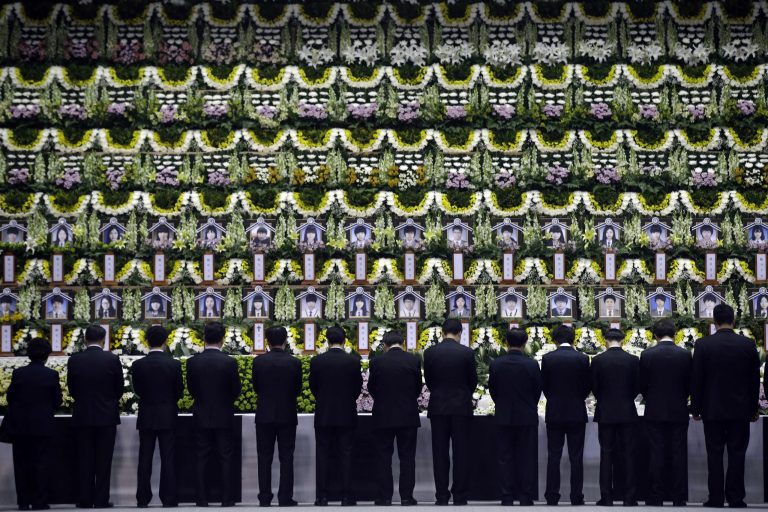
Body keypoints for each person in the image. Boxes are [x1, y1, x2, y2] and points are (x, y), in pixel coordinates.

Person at [691, 304, 760, 508]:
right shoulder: (747, 344)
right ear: (734, 320)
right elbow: (754, 381)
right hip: (740, 409)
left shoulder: (703, 345)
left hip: (712, 409)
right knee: (737, 453)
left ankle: (715, 497)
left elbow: (697, 379)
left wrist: (696, 408)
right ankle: (736, 497)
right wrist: (753, 408)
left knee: (714, 453)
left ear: (714, 321)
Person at [67, 325, 124, 509]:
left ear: (85, 339)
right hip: (106, 415)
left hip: (82, 414)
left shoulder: (75, 360)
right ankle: (101, 500)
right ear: (103, 340)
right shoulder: (112, 359)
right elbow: (119, 388)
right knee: (104, 461)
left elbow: (72, 389)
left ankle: (84, 499)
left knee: (84, 459)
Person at [186, 322, 242, 507]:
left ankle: (201, 499)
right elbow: (236, 390)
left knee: (200, 457)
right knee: (225, 457)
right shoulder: (229, 362)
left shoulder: (193, 362)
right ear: (222, 339)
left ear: (204, 338)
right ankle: (227, 499)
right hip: (224, 413)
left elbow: (192, 389)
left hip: (201, 413)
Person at [423, 319, 478, 506]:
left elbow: (429, 380)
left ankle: (441, 495)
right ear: (460, 333)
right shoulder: (467, 352)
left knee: (439, 453)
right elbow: (472, 381)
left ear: (442, 332)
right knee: (461, 452)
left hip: (438, 406)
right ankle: (460, 496)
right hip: (461, 407)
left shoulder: (430, 352)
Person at [639, 319, 691, 507]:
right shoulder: (685, 354)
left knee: (656, 452)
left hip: (654, 409)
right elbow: (689, 383)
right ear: (675, 334)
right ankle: (679, 496)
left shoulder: (647, 354)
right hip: (679, 409)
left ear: (655, 334)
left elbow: (642, 384)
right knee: (678, 453)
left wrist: (651, 397)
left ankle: (656, 495)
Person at [5, 338, 62, 511]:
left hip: (20, 426)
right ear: (47, 354)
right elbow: (57, 401)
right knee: (41, 464)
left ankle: (23, 502)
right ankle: (40, 501)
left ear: (29, 353)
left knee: (21, 464)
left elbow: (10, 397)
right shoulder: (51, 374)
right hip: (42, 425)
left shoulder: (19, 373)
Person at [309, 326, 363, 506]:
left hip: (324, 413)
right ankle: (347, 495)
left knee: (322, 454)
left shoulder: (317, 361)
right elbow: (357, 387)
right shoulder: (353, 361)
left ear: (327, 341)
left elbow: (314, 387)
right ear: (344, 341)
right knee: (346, 454)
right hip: (346, 412)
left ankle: (321, 496)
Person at [130, 326, 184, 508]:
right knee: (168, 457)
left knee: (145, 457)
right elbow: (179, 391)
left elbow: (138, 390)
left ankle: (142, 498)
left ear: (146, 341)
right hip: (167, 414)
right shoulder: (173, 364)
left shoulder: (138, 365)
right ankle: (169, 498)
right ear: (165, 341)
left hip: (146, 414)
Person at [368, 331, 422, 506]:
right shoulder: (413, 360)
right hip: (407, 415)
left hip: (383, 415)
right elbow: (418, 387)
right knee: (407, 457)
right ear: (403, 342)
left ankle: (384, 497)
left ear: (384, 345)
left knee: (383, 457)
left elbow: (371, 387)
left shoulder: (376, 362)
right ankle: (406, 497)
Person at [488, 328, 542, 506]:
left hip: (503, 415)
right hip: (526, 416)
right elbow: (537, 390)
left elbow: (493, 390)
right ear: (525, 344)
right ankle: (526, 496)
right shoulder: (532, 364)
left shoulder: (496, 364)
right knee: (527, 457)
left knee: (504, 457)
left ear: (506, 343)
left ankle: (506, 496)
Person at [251, 327, 303, 507]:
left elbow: (256, 387)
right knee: (286, 457)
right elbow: (297, 390)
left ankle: (264, 497)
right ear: (285, 341)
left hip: (264, 414)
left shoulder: (258, 362)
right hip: (287, 414)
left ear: (267, 341)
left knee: (264, 457)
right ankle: (285, 497)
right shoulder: (294, 362)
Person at [541, 324, 591, 506]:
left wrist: (554, 399)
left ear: (554, 340)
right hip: (576, 411)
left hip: (554, 411)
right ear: (573, 339)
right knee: (576, 456)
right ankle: (576, 496)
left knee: (554, 455)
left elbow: (544, 386)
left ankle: (552, 496)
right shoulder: (582, 358)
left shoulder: (548, 358)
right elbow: (587, 386)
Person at [591, 328, 639, 506]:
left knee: (606, 454)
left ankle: (606, 497)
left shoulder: (597, 360)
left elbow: (594, 386)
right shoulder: (633, 360)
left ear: (605, 340)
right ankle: (630, 497)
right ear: (623, 340)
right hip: (627, 411)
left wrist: (603, 399)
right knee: (629, 455)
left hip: (605, 411)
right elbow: (637, 386)